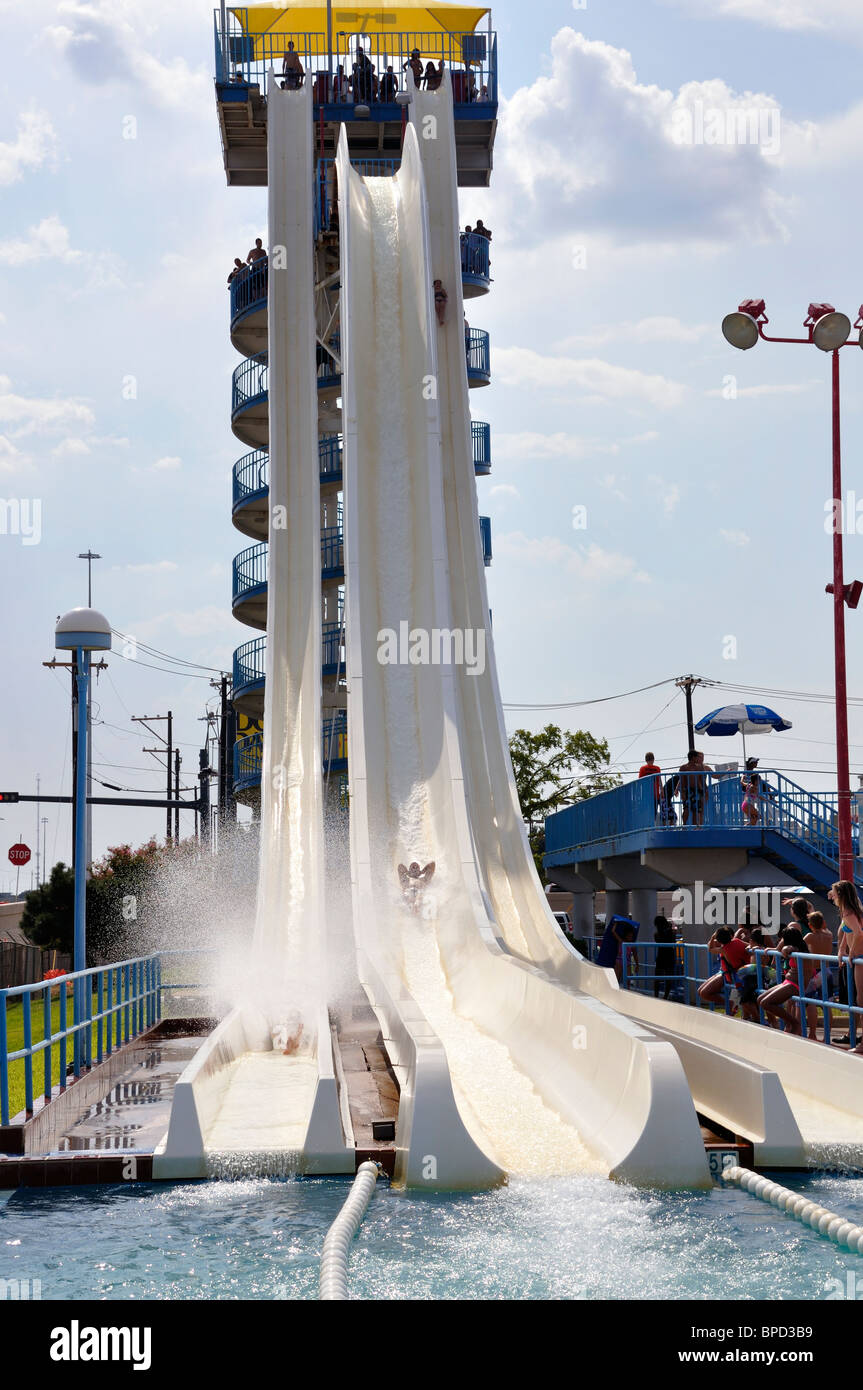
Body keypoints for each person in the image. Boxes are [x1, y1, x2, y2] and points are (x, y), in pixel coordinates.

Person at [831, 879, 863, 1053]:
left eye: (835, 893)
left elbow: (858, 932)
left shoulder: (849, 912)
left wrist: (851, 954)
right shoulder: (850, 911)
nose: (833, 896)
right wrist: (842, 949)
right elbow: (847, 931)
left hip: (859, 957)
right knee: (858, 1000)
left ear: (841, 894)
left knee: (861, 1001)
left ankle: (862, 1044)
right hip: (856, 957)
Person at [758, 926, 808, 1032]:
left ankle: (793, 1023)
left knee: (765, 1003)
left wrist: (785, 948)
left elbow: (787, 950)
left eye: (783, 939)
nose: (781, 941)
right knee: (760, 999)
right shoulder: (799, 946)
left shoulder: (797, 949)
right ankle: (790, 1022)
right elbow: (781, 949)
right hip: (788, 981)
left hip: (795, 985)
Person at [801, 910, 835, 1043]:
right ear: (823, 923)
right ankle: (827, 1036)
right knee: (827, 1005)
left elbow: (799, 946)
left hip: (814, 972)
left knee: (810, 1003)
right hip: (827, 971)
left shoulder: (809, 936)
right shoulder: (829, 935)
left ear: (810, 925)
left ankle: (812, 1034)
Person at [697, 926, 749, 1009]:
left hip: (731, 974)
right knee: (700, 991)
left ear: (718, 939)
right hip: (731, 972)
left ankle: (729, 1003)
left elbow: (710, 949)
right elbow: (749, 946)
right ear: (730, 936)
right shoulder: (737, 941)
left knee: (703, 993)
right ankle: (731, 1004)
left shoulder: (723, 949)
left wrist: (712, 937)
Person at [678, 749, 712, 826]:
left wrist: (705, 791)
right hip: (687, 791)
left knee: (696, 810)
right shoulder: (683, 768)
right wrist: (682, 792)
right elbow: (682, 781)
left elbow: (702, 780)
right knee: (686, 809)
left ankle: (695, 826)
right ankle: (684, 825)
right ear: (693, 757)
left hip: (697, 791)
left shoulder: (700, 767)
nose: (698, 759)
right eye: (697, 757)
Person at [653, 915, 677, 1000]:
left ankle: (660, 997)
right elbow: (658, 939)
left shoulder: (668, 932)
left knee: (661, 977)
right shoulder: (668, 932)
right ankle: (660, 996)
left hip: (665, 956)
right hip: (666, 956)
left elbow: (660, 939)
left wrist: (665, 931)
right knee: (660, 977)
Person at [740, 757, 763, 825]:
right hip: (748, 805)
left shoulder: (748, 785)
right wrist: (766, 799)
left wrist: (742, 777)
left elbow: (741, 782)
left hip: (745, 804)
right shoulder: (753, 787)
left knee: (754, 819)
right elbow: (758, 796)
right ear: (756, 781)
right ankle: (746, 827)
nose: (759, 782)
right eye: (758, 781)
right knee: (758, 816)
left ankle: (746, 827)